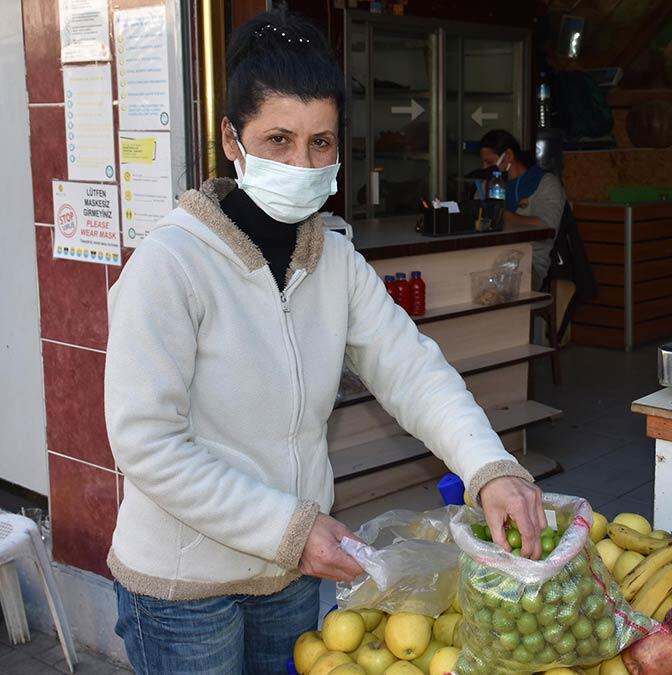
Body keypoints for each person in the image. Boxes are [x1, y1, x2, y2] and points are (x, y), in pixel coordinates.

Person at [104, 10, 544, 673]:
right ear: (232, 138)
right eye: (278, 139)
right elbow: (147, 442)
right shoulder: (171, 265)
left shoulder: (333, 260)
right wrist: (289, 528)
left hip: (290, 574)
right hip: (183, 585)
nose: (302, 162)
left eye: (321, 143)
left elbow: (410, 370)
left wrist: (489, 467)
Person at [478, 130, 566, 290]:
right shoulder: (486, 185)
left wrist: (504, 216)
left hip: (528, 264)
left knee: (496, 291)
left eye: (489, 163)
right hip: (488, 260)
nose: (485, 168)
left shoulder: (545, 183)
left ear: (509, 156)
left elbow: (548, 224)